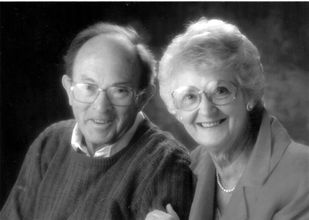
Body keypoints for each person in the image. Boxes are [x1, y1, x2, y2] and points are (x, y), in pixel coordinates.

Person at [0, 22, 194, 220]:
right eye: (88, 87)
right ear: (69, 90)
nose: (101, 107)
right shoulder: (50, 143)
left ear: (143, 98)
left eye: (120, 91)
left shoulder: (166, 164)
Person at [146, 18, 309, 220]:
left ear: (249, 94)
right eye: (189, 96)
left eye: (220, 91)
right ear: (176, 108)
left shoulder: (302, 174)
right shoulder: (189, 168)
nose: (206, 109)